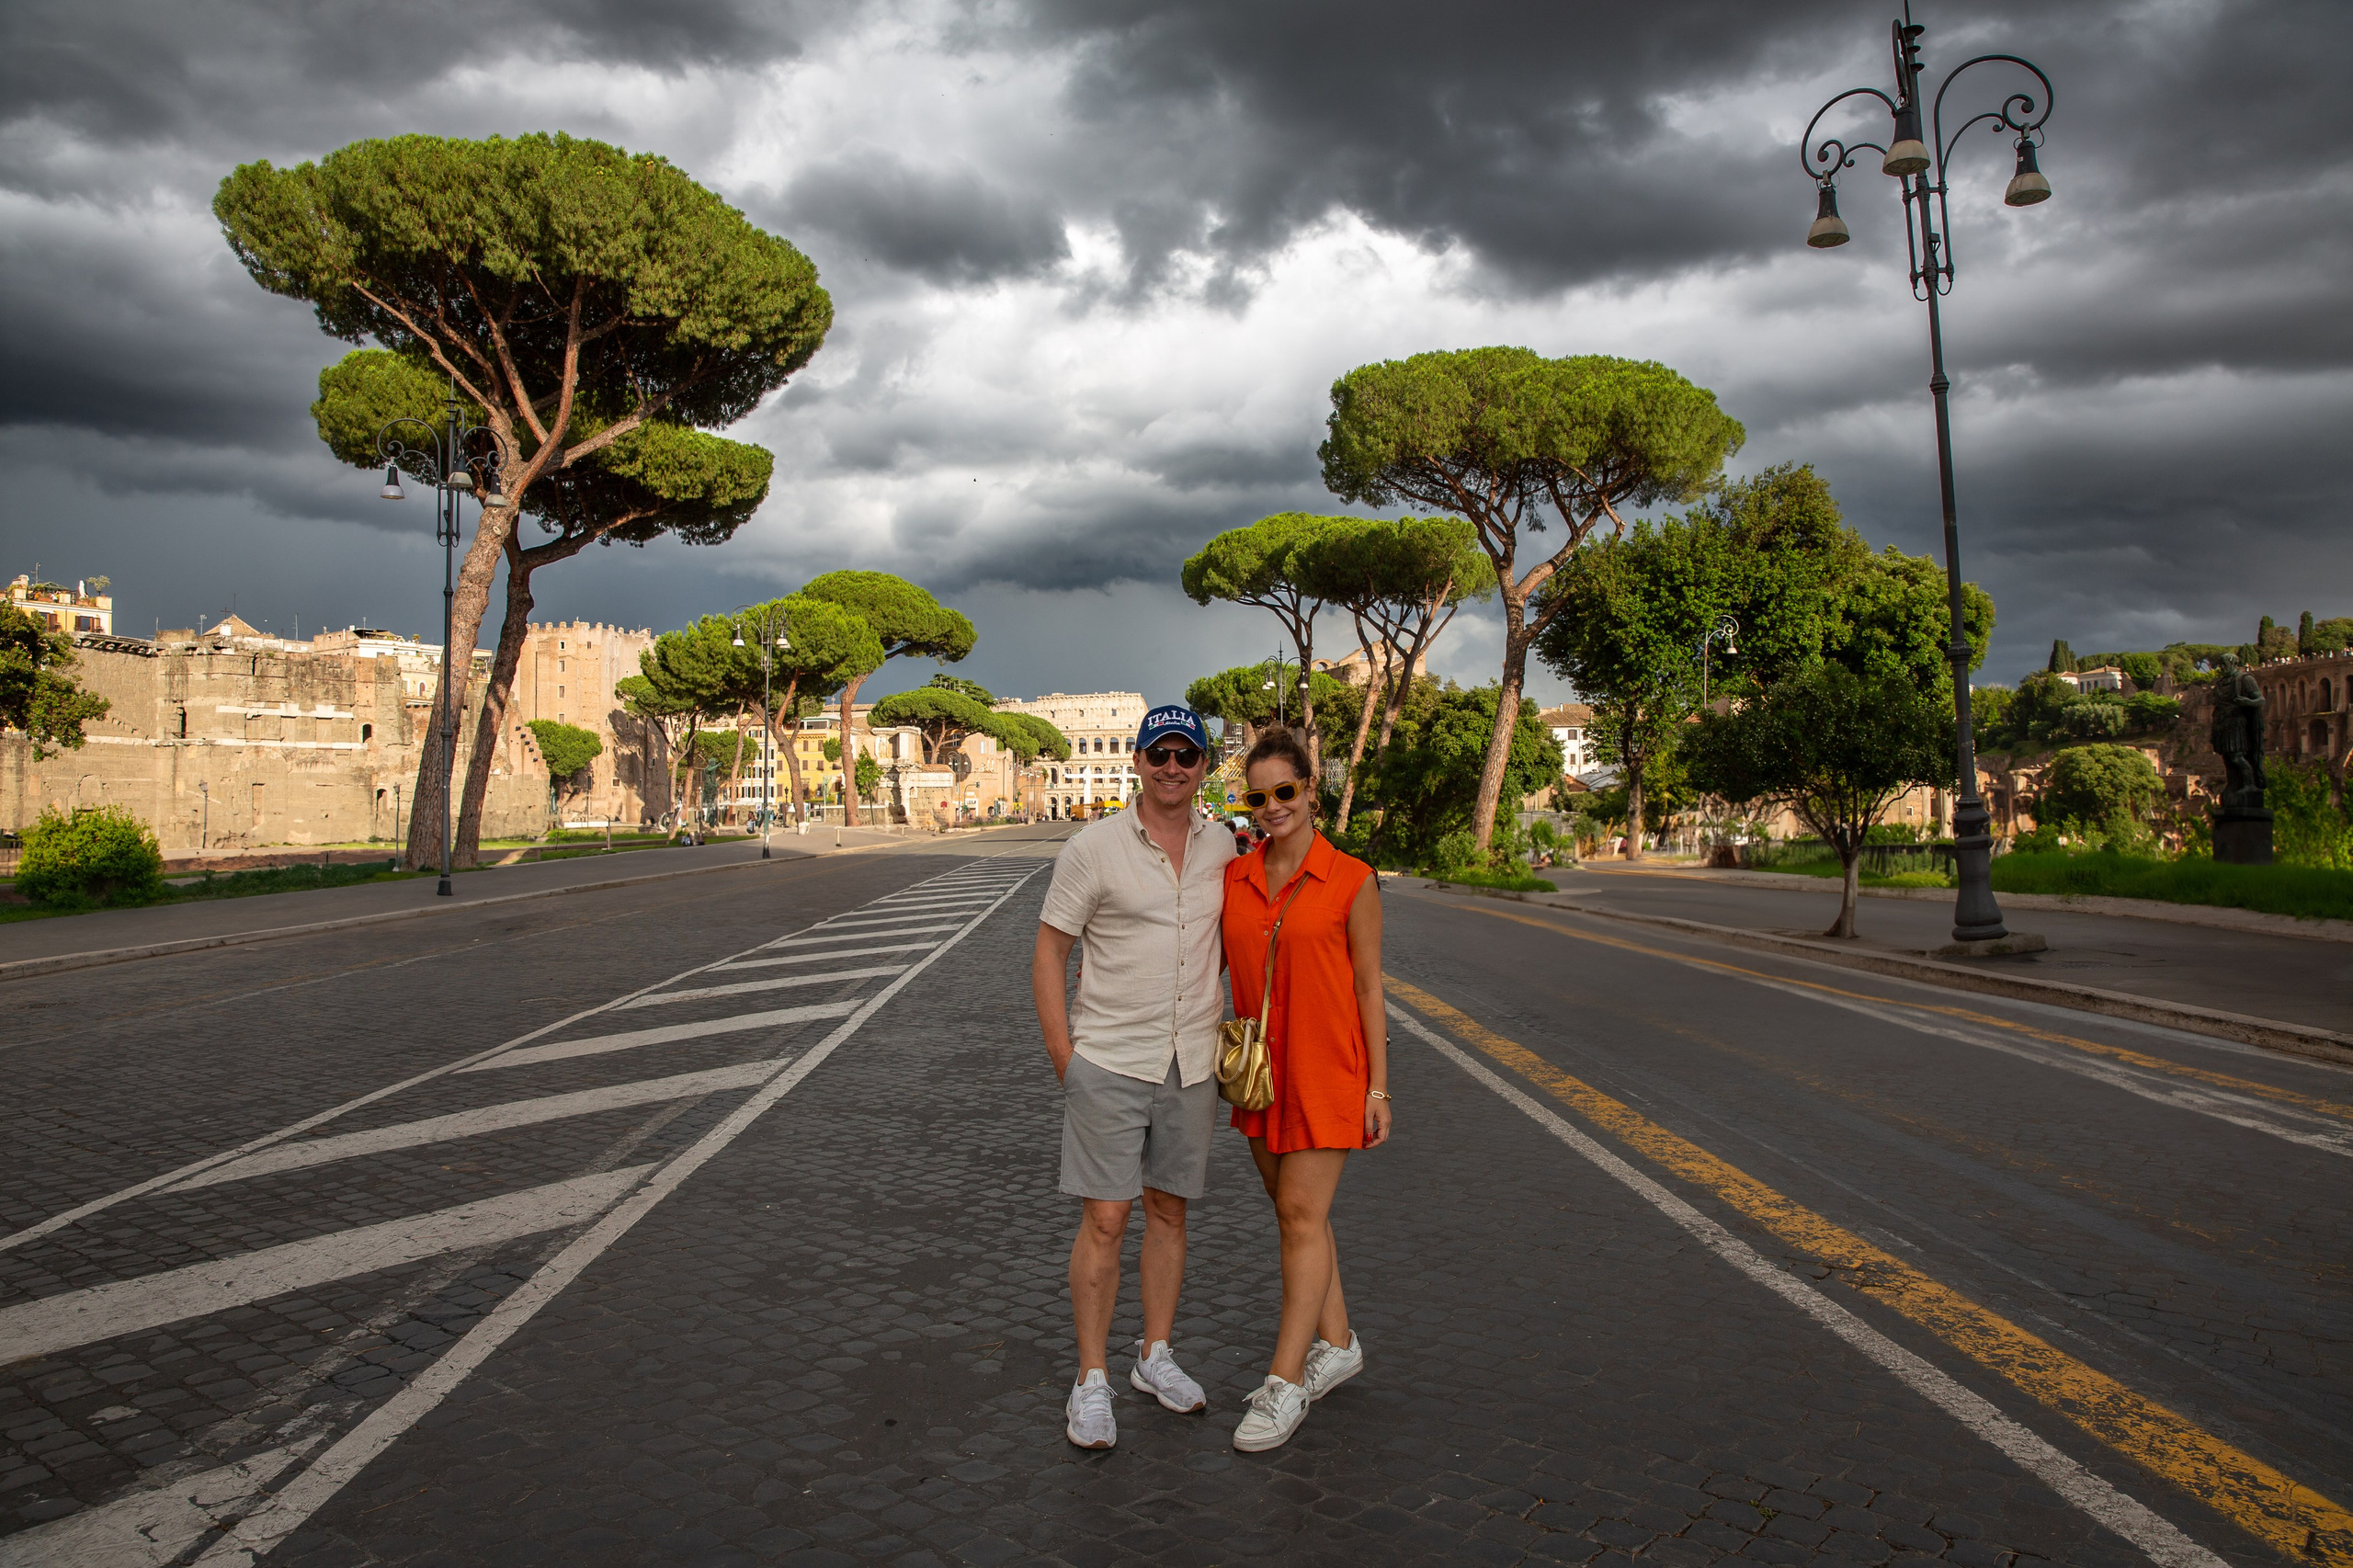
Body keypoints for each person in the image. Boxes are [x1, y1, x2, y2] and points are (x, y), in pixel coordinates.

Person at [1031, 704, 1236, 1449]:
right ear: (1139, 762)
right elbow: (1050, 952)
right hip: (1110, 1060)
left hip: (1191, 1062)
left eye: (1187, 755)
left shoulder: (1224, 847)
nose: (1173, 767)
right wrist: (1067, 1058)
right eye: (1160, 754)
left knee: (1171, 1212)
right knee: (1107, 1219)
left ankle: (1155, 1355)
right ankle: (1092, 1378)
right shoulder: (1093, 849)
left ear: (1205, 765)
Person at [1222, 727, 1391, 1452]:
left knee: (1298, 1213)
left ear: (1310, 790)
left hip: (1328, 1073)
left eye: (1284, 792)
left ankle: (1285, 1382)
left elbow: (1369, 984)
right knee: (1300, 1220)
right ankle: (1340, 1343)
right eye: (1256, 796)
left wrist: (1379, 1088)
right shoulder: (1233, 878)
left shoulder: (1353, 879)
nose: (1270, 807)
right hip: (1258, 1075)